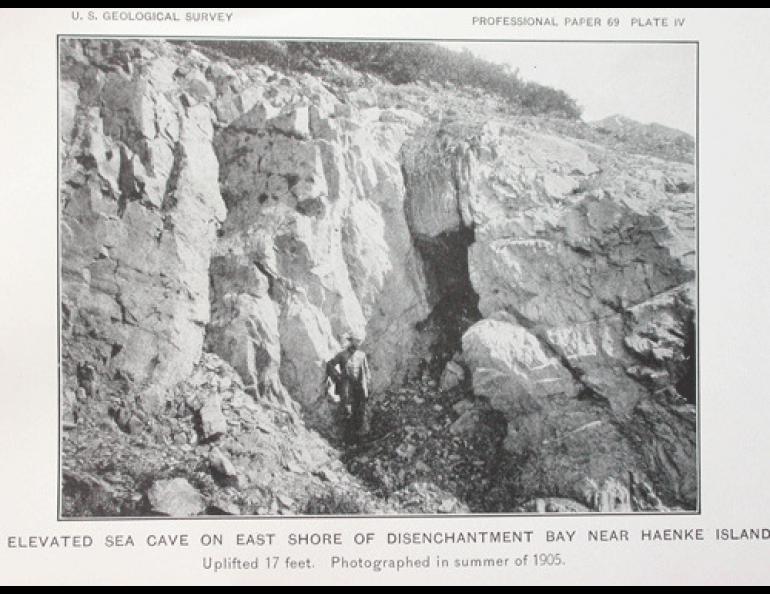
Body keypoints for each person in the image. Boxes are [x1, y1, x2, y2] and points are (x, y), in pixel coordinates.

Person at [325, 331, 371, 444]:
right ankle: (345, 440)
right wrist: (337, 377)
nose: (358, 343)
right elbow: (330, 364)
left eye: (359, 341)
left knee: (360, 412)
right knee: (346, 411)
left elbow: (366, 371)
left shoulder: (362, 355)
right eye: (356, 341)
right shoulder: (342, 354)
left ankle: (359, 440)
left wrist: (366, 385)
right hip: (346, 387)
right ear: (351, 341)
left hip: (358, 388)